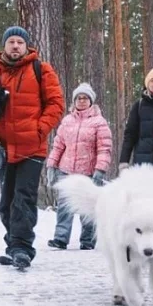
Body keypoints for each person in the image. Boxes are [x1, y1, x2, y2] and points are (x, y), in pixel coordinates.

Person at [0, 26, 64, 269]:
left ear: (26, 46)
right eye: (11, 42)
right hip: (3, 149)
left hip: (31, 149)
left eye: (19, 42)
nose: (15, 46)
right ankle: (13, 245)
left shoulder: (41, 69)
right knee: (7, 202)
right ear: (4, 46)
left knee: (23, 199)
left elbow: (56, 104)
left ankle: (22, 249)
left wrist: (39, 130)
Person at [46, 82, 112, 250]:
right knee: (64, 206)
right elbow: (58, 145)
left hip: (88, 172)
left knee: (87, 207)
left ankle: (88, 240)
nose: (82, 101)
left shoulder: (99, 122)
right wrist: (52, 166)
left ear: (91, 101)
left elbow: (104, 148)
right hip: (66, 170)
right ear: (74, 101)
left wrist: (100, 169)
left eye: (85, 98)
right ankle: (60, 238)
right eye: (79, 98)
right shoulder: (67, 121)